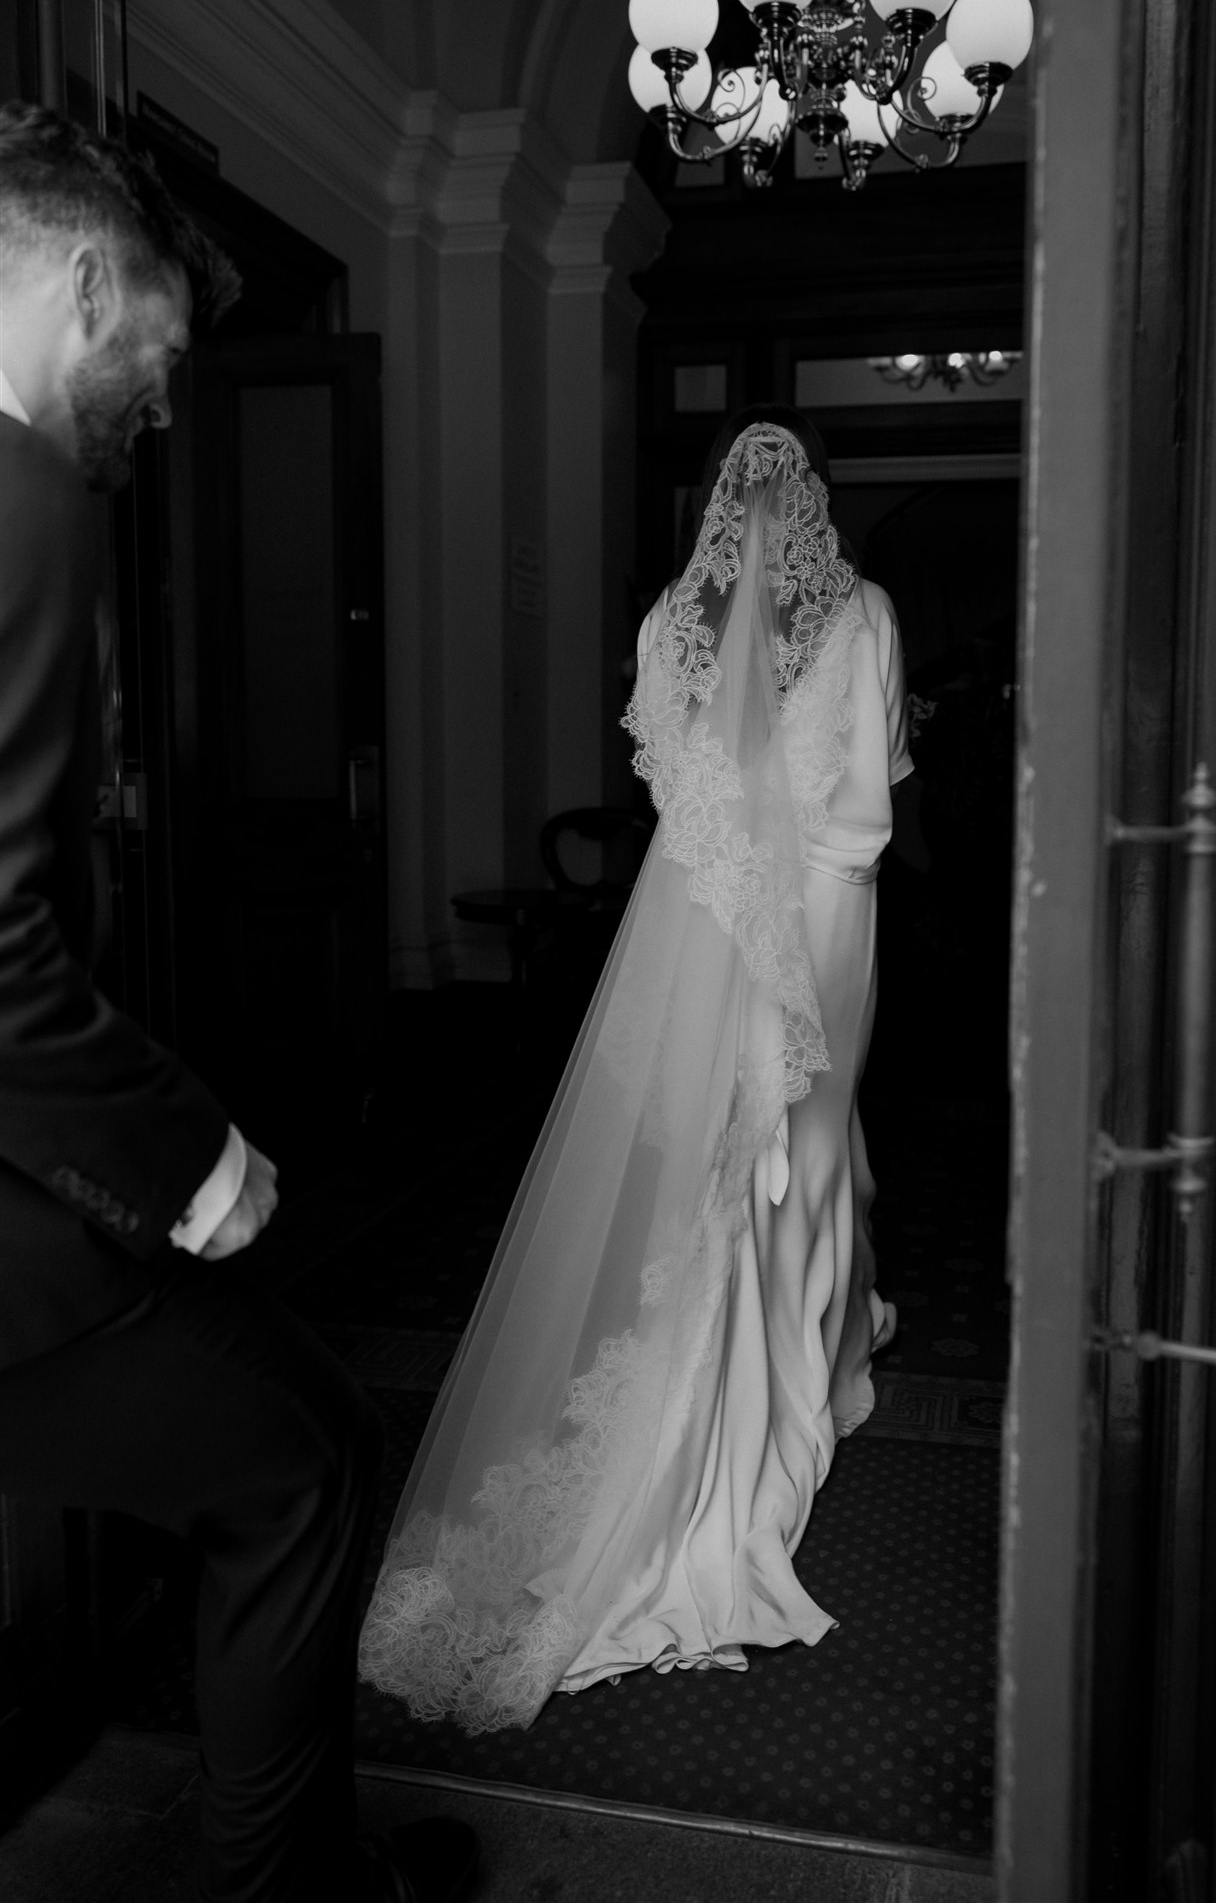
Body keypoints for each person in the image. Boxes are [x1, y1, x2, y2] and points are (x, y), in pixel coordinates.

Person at [0, 102, 476, 1903]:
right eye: (164, 351)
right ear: (73, 281)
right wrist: (196, 1165)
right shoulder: (25, 494)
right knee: (308, 1461)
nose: (169, 400)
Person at [360, 406, 910, 1731]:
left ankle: (731, 1391)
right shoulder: (862, 615)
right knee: (798, 1165)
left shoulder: (670, 623)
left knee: (704, 1177)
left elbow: (676, 804)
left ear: (714, 502)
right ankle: (773, 1406)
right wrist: (802, 902)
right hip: (821, 934)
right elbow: (867, 816)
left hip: (693, 937)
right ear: (815, 496)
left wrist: (735, 887)